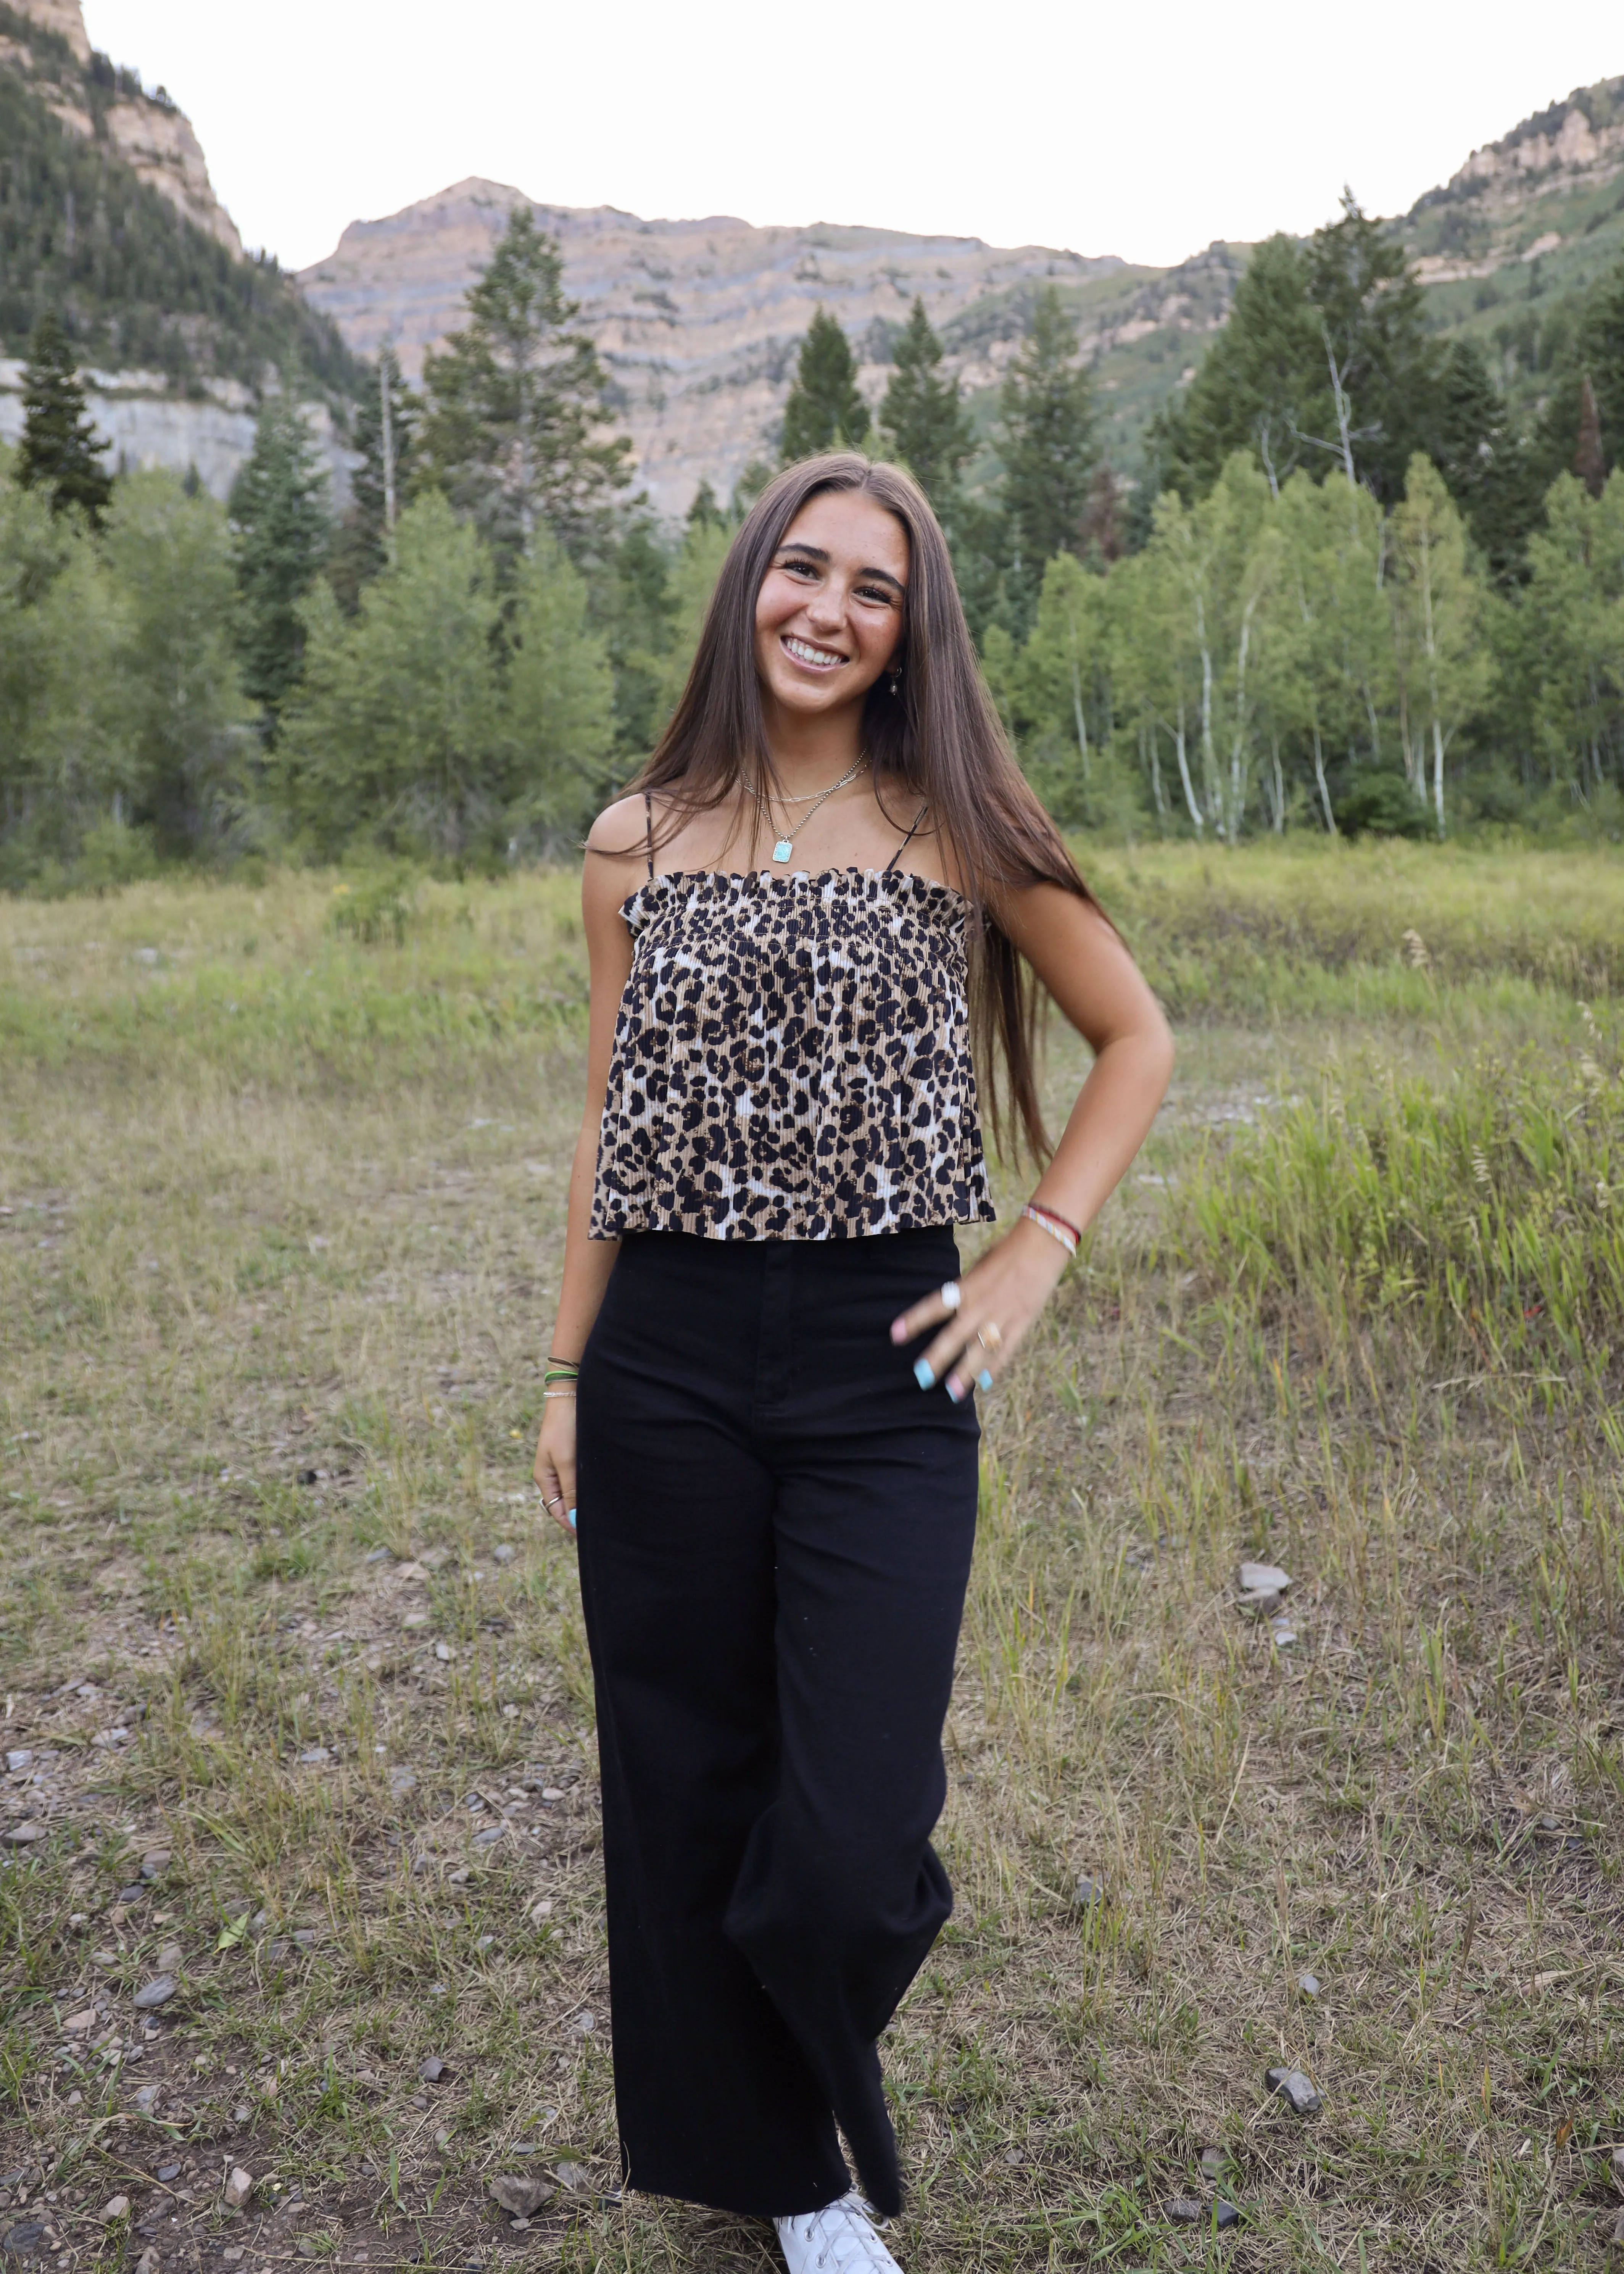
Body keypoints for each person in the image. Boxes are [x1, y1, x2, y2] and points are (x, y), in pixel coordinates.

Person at [533, 452, 1173, 2272]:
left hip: (880, 1357)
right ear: (748, 586)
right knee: (677, 1771)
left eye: (868, 589)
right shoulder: (630, 839)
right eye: (796, 570)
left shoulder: (950, 819)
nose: (824, 608)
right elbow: (607, 1124)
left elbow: (1132, 1035)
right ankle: (790, 2176)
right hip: (661, 1350)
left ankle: (773, 2028)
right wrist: (566, 1370)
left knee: (848, 1829)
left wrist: (1031, 1254)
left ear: (907, 633)